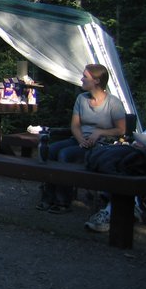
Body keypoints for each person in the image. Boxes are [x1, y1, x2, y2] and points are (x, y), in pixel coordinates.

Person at [37, 63, 126, 215]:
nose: (81, 79)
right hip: (79, 140)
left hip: (100, 146)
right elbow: (75, 125)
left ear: (96, 80)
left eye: (85, 76)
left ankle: (62, 201)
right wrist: (80, 140)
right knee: (51, 151)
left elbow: (121, 130)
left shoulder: (113, 102)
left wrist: (99, 132)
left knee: (65, 154)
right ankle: (48, 196)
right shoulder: (81, 99)